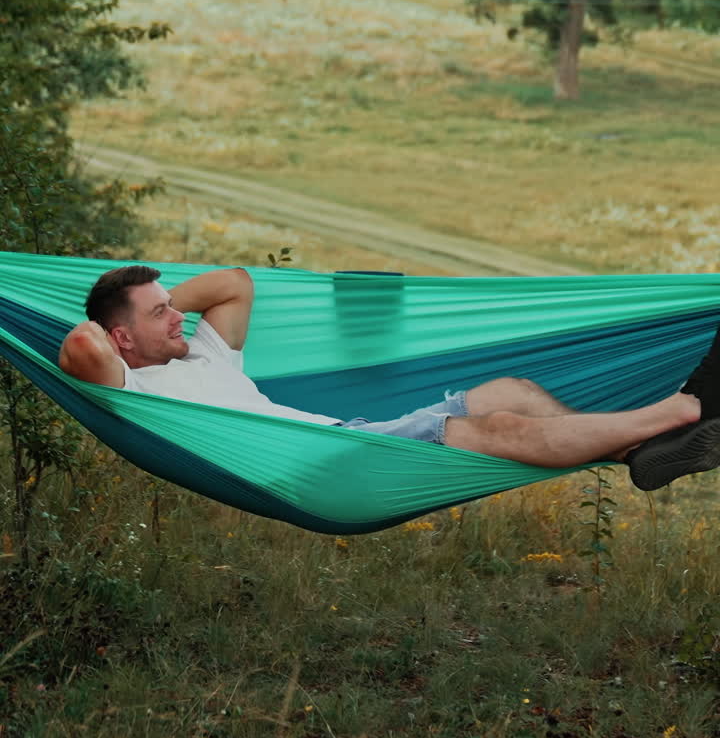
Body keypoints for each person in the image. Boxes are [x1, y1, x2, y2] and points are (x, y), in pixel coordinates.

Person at [58, 264, 720, 493]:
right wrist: (125, 318)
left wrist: (153, 299)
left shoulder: (204, 355)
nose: (180, 315)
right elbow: (81, 341)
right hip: (326, 468)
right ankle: (678, 409)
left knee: (511, 391)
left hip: (348, 437)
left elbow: (234, 284)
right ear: (122, 339)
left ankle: (641, 452)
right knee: (501, 427)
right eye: (161, 313)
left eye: (176, 306)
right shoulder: (131, 387)